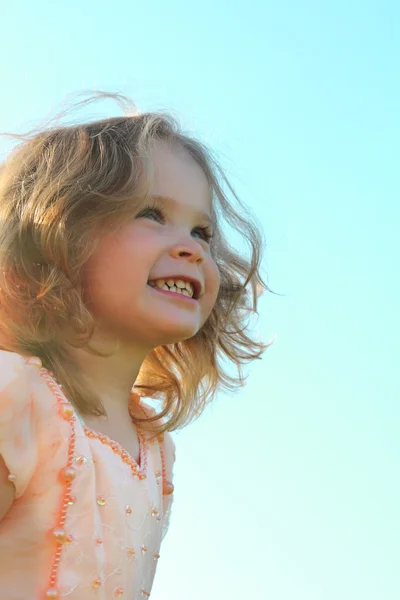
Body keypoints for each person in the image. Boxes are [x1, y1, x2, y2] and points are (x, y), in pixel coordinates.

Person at [0, 91, 272, 599]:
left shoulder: (156, 451)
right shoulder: (16, 398)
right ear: (59, 235)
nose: (191, 247)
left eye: (202, 231)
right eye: (150, 213)